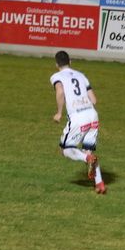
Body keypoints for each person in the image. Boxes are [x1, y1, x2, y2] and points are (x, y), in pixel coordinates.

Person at [51, 51, 106, 194]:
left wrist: (59, 113)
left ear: (56, 64)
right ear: (70, 61)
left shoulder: (57, 76)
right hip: (92, 116)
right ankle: (100, 184)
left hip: (78, 117)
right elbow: (94, 100)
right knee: (89, 150)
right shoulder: (81, 75)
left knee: (65, 150)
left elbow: (60, 91)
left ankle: (87, 158)